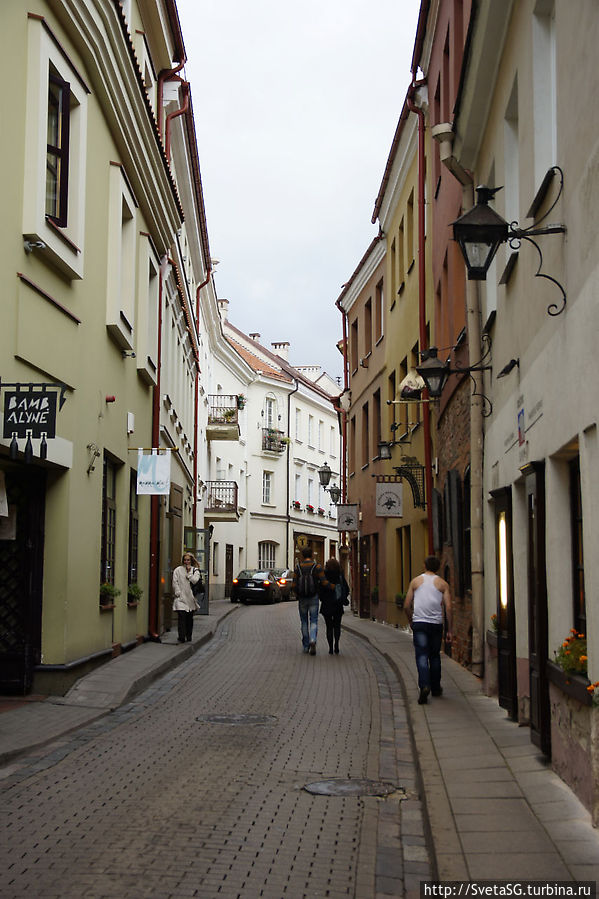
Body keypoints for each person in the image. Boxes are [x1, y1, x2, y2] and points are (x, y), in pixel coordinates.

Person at [403, 556, 452, 704]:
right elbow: (448, 608)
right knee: (434, 656)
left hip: (419, 623)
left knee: (422, 655)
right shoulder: (443, 584)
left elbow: (406, 605)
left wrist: (411, 620)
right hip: (436, 624)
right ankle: (436, 687)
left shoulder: (416, 582)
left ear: (424, 565)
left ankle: (424, 685)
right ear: (438, 567)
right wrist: (449, 629)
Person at [293, 546, 329, 655]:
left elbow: (294, 584)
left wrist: (297, 594)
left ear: (303, 555)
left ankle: (305, 646)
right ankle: (313, 640)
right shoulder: (317, 567)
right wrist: (332, 587)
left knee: (304, 621)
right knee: (313, 620)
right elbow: (324, 582)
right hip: (314, 597)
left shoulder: (298, 568)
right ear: (312, 555)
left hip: (302, 598)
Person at [319, 557, 350, 655]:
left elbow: (320, 590)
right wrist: (342, 597)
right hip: (338, 604)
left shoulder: (324, 575)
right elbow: (346, 589)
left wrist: (322, 598)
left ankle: (330, 648)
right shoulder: (340, 575)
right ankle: (336, 645)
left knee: (329, 627)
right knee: (337, 626)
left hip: (327, 605)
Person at [172, 552, 203, 643]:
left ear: (191, 561)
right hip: (181, 598)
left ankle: (188, 635)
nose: (186, 562)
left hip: (190, 599)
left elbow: (194, 581)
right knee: (181, 617)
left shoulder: (195, 571)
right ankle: (181, 637)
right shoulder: (178, 570)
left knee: (189, 619)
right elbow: (175, 582)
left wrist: (189, 573)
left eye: (188, 560)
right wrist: (178, 592)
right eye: (185, 560)